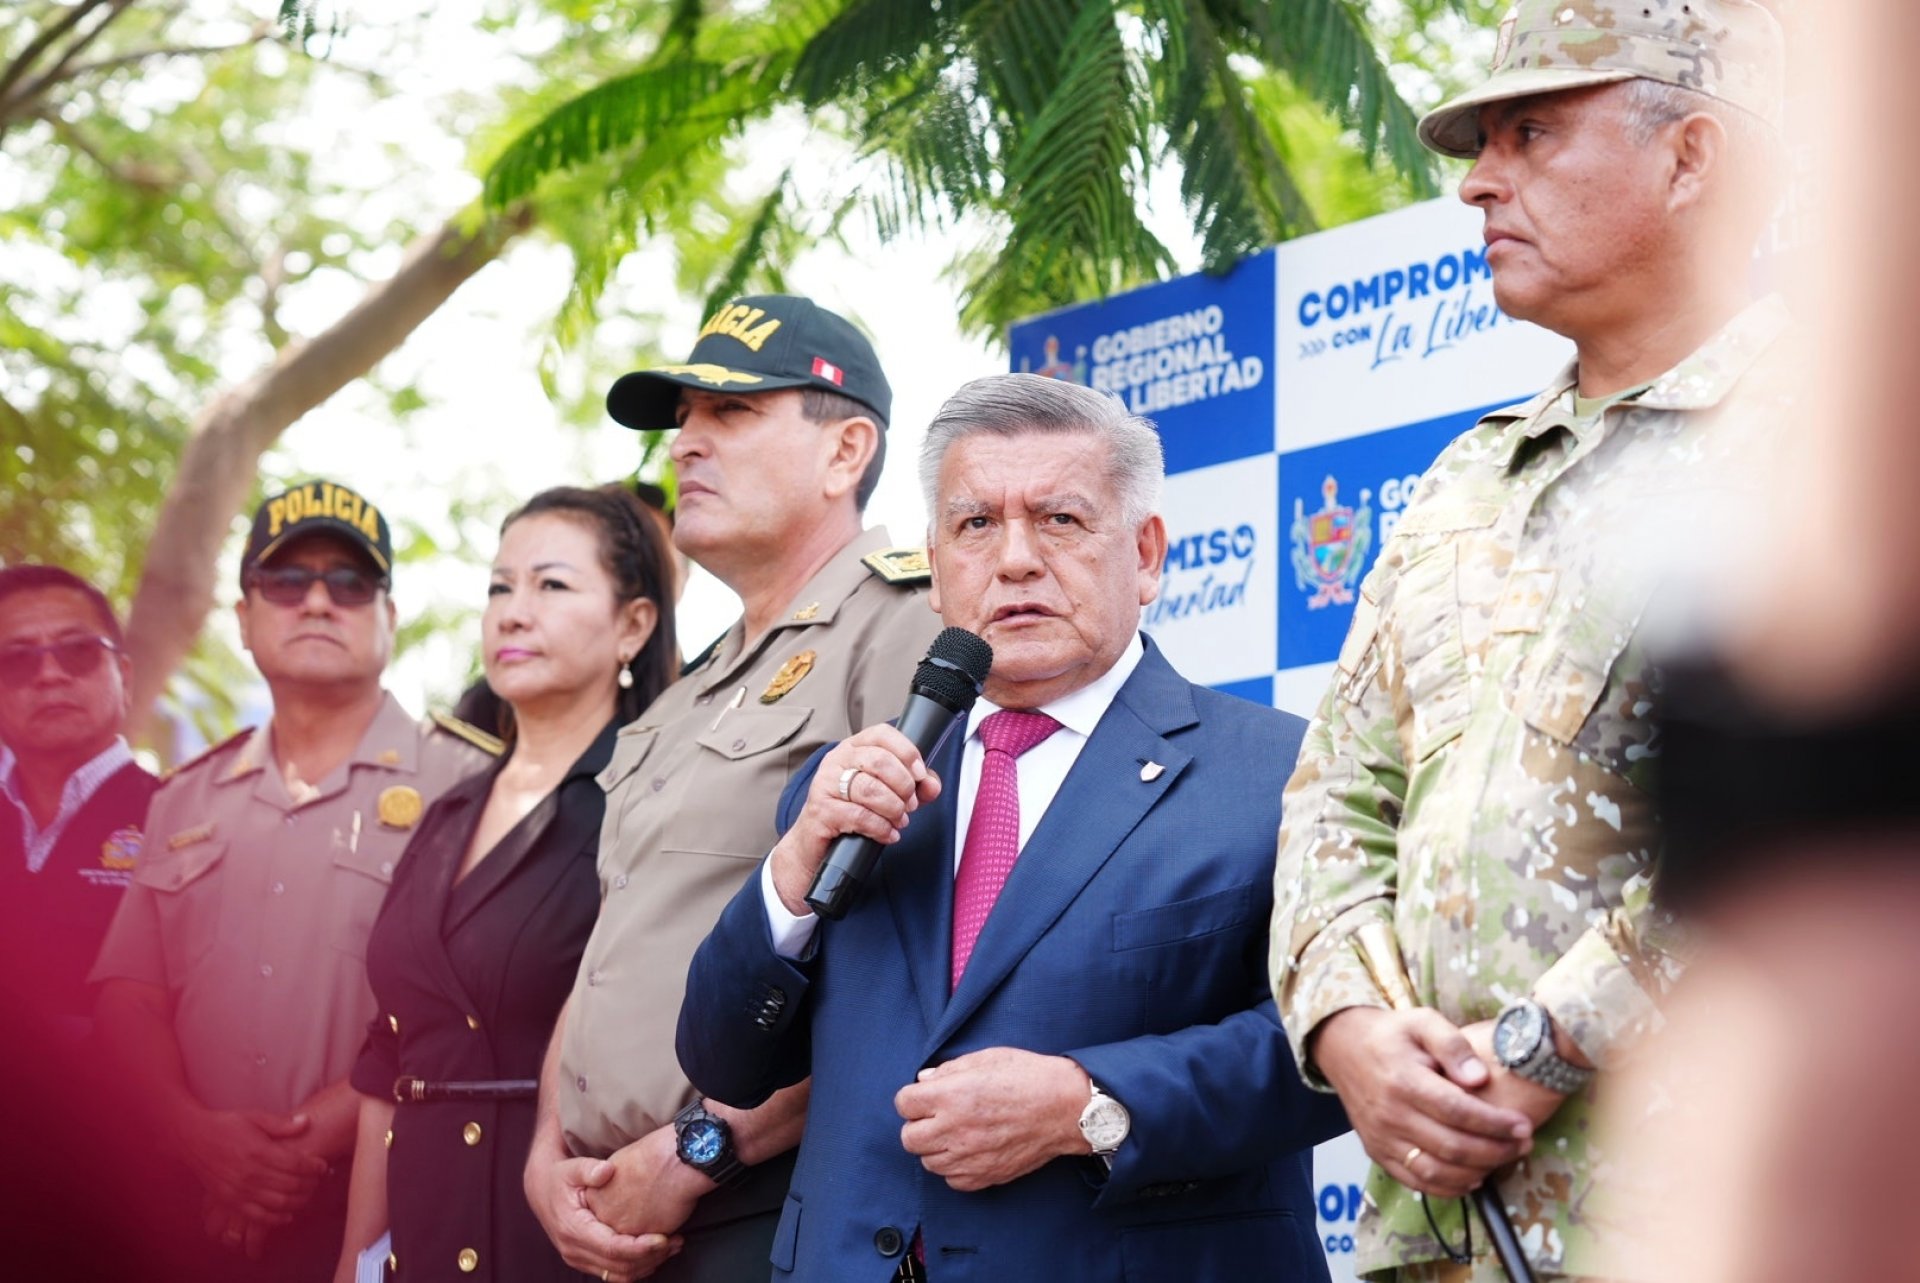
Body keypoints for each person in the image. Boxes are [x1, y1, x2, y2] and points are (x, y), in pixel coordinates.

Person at [1269, 3, 1790, 1280]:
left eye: (1534, 132)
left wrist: (1548, 1041)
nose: (1476, 184)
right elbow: (1333, 799)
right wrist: (1352, 1034)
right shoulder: (1461, 481)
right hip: (1438, 1236)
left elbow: (1812, 815)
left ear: (1692, 158)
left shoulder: (1836, 437)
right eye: (1480, 143)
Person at [676, 373, 1349, 1281]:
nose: (1017, 559)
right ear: (935, 566)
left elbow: (1339, 1040)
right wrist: (791, 874)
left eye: (1061, 520)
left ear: (1147, 554)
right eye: (976, 524)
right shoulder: (853, 790)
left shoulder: (1280, 769)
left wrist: (1088, 1103)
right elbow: (724, 1058)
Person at [524, 294, 946, 1282]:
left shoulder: (906, 621)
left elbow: (919, 959)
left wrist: (700, 1148)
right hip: (610, 1211)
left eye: (733, 412)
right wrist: (547, 1157)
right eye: (684, 421)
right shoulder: (685, 692)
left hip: (775, 1200)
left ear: (847, 451)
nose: (687, 445)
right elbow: (614, 944)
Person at [91, 479, 499, 1282]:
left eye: (350, 583)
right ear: (244, 618)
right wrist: (197, 1136)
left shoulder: (475, 786)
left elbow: (480, 1006)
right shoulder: (184, 794)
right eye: (286, 581)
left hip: (386, 1210)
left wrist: (293, 1150)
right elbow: (127, 993)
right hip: (181, 1206)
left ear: (388, 617)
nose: (318, 601)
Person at [332, 485, 678, 1283]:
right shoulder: (448, 808)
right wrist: (354, 1258)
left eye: (551, 585)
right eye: (499, 586)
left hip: (571, 1237)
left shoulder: (655, 799)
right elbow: (390, 1057)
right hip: (422, 1238)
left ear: (633, 623)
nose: (513, 613)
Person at [0, 564, 159, 1039]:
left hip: (128, 1109)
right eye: (16, 660)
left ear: (124, 678)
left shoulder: (183, 822)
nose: (50, 675)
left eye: (78, 652)